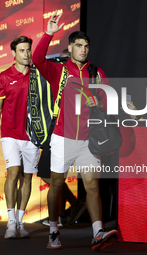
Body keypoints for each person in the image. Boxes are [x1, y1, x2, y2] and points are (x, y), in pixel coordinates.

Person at [33, 11, 119, 250]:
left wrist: (99, 103)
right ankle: (52, 230)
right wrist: (48, 34)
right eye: (79, 45)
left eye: (86, 46)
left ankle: (97, 232)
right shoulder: (58, 71)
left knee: (92, 186)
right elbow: (38, 60)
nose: (84, 49)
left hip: (89, 141)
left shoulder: (96, 73)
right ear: (70, 48)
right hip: (62, 138)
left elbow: (107, 102)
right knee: (57, 185)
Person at [0, 36, 39, 239]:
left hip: (32, 136)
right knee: (13, 172)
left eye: (28, 50)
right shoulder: (4, 77)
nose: (26, 54)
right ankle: (10, 223)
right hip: (10, 134)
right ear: (13, 53)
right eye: (21, 50)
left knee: (27, 178)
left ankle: (20, 222)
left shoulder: (37, 76)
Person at [41, 49, 87, 227]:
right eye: (62, 61)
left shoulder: (79, 79)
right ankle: (72, 206)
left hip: (70, 131)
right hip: (52, 128)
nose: (64, 64)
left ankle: (63, 214)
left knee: (54, 177)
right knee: (50, 176)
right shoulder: (55, 75)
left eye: (67, 61)